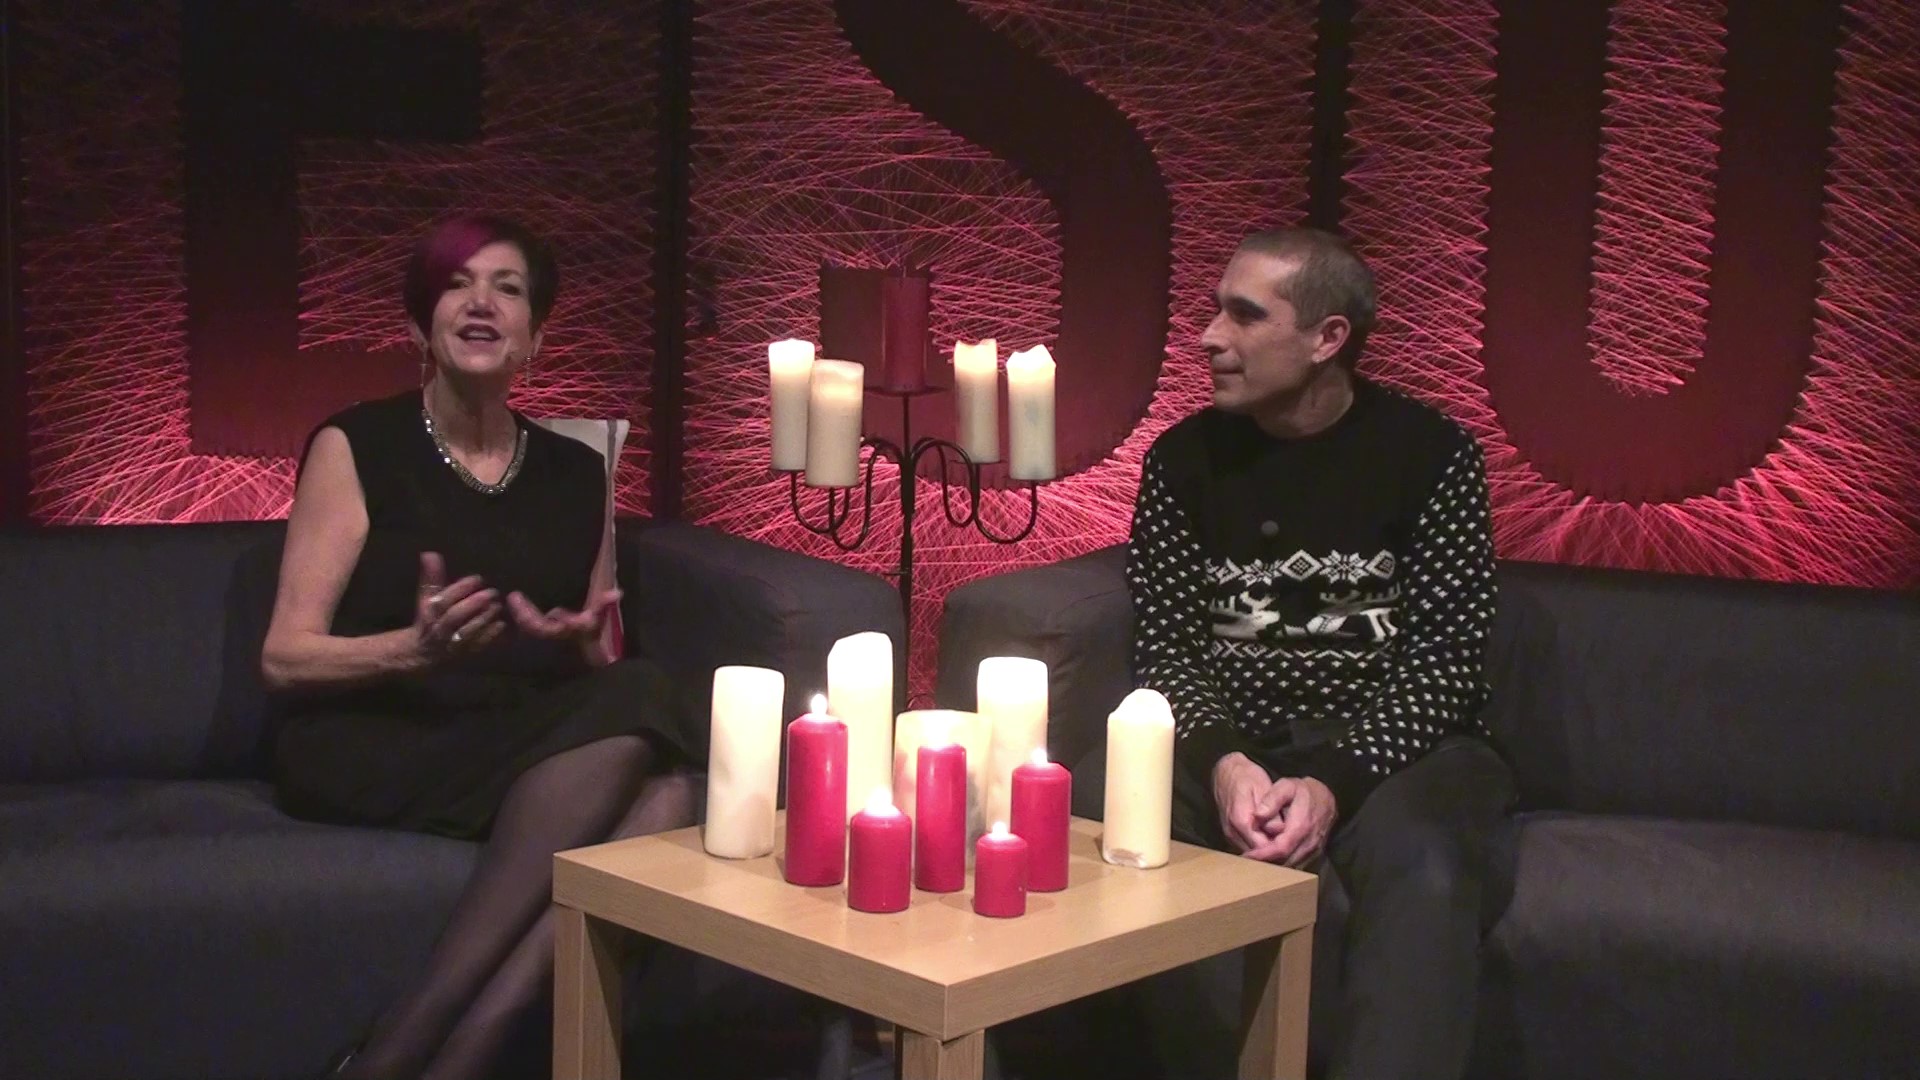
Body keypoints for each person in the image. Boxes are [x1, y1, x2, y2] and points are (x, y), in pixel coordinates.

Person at [262, 214, 701, 1080]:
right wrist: (412, 651)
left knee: (671, 785)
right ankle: (413, 1046)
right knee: (663, 761)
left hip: (507, 736)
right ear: (420, 324)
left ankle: (431, 1058)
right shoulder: (357, 445)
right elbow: (283, 657)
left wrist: (581, 651)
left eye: (508, 288)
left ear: (535, 336)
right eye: (457, 285)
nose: (480, 302)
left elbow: (596, 656)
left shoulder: (576, 471)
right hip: (371, 733)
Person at [1072, 227, 1517, 1079]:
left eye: (1245, 316)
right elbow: (1167, 647)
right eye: (1216, 311)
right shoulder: (1182, 460)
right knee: (1100, 800)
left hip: (1398, 748)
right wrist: (1223, 762)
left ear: (1326, 338)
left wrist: (1333, 782)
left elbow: (1446, 662)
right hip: (1235, 736)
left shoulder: (1432, 454)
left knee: (1423, 859)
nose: (1210, 337)